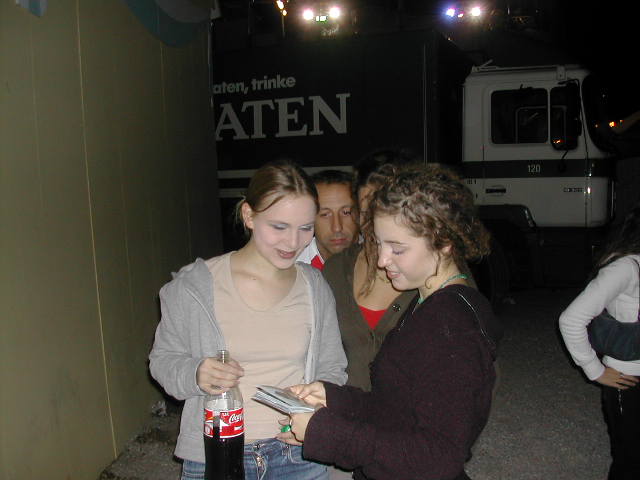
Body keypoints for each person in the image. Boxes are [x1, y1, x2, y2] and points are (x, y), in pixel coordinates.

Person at [288, 164, 501, 480]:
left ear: (443, 242)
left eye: (397, 249)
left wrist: (326, 432)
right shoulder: (427, 301)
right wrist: (334, 398)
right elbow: (398, 408)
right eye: (378, 243)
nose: (383, 260)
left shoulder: (449, 327)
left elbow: (438, 458)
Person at [149, 159, 348, 480]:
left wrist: (313, 412)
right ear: (249, 215)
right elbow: (162, 361)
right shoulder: (194, 286)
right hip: (214, 452)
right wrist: (196, 373)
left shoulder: (314, 286)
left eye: (305, 228)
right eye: (279, 227)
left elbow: (332, 366)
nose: (293, 242)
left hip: (296, 453)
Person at [322, 149, 421, 391]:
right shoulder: (336, 270)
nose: (376, 224)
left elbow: (473, 366)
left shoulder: (433, 271)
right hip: (345, 410)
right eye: (368, 211)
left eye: (387, 211)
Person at [559, 203, 640, 480]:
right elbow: (571, 319)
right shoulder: (626, 268)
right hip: (629, 378)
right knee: (630, 459)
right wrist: (594, 370)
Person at [298, 170, 359, 270]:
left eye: (346, 212)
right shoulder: (291, 266)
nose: (337, 227)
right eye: (325, 214)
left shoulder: (381, 258)